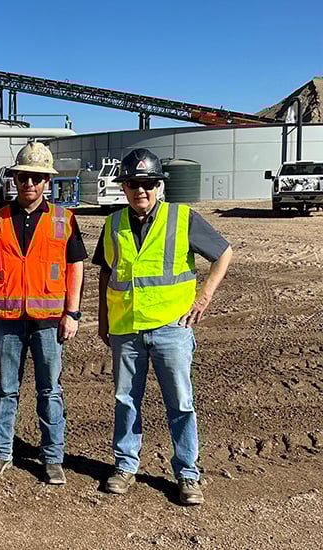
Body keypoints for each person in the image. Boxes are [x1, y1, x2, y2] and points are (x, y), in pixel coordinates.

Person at [93, 148, 233, 506]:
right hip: (126, 329)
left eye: (148, 183)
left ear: (159, 186)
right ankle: (125, 466)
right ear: (124, 187)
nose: (141, 190)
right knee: (126, 401)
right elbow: (106, 273)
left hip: (172, 328)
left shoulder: (182, 217)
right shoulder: (113, 224)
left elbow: (223, 253)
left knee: (181, 403)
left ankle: (187, 474)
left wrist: (203, 299)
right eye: (133, 184)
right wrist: (104, 320)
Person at [0, 142, 87, 484]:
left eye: (37, 178)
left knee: (49, 390)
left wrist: (73, 313)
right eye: (24, 177)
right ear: (15, 178)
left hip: (48, 323)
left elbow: (75, 267)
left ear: (47, 182)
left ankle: (52, 457)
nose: (30, 184)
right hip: (7, 321)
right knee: (5, 389)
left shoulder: (63, 220)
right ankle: (0, 453)